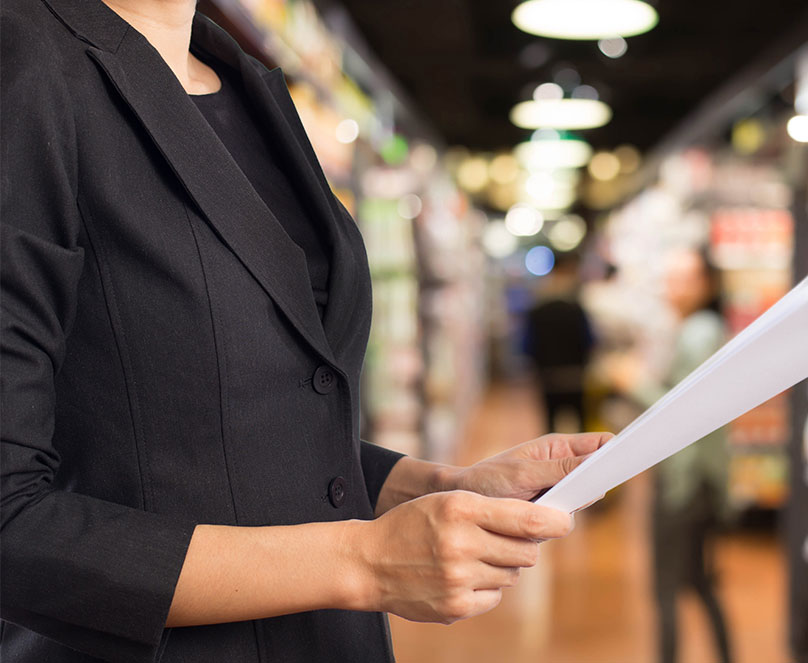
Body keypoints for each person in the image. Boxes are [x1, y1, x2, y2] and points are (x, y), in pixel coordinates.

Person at [0, 1, 606, 661]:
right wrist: (364, 559)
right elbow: (12, 518)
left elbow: (243, 428)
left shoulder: (246, 82)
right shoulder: (24, 59)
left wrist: (434, 486)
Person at [611, 248, 733, 663]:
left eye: (683, 279)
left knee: (666, 586)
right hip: (698, 478)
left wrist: (634, 382)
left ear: (707, 285)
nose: (671, 287)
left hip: (685, 480)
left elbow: (684, 413)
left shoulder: (698, 333)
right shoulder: (697, 329)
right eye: (669, 278)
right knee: (699, 581)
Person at [523, 253, 595, 432]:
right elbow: (590, 340)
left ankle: (549, 459)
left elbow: (527, 345)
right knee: (581, 424)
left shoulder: (537, 310)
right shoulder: (577, 309)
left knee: (550, 425)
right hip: (576, 376)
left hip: (548, 376)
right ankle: (586, 460)